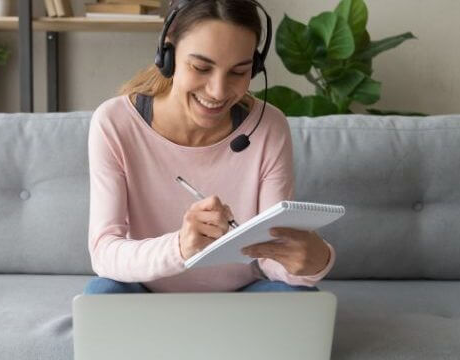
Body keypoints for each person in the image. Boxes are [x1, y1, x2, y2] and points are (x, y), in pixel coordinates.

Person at [83, 0, 336, 294]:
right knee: (103, 295)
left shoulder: (269, 127)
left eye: (238, 72)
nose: (217, 91)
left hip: (241, 297)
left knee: (301, 300)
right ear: (168, 53)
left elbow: (270, 258)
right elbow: (104, 252)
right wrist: (181, 247)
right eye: (201, 67)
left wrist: (316, 261)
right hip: (146, 295)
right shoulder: (115, 123)